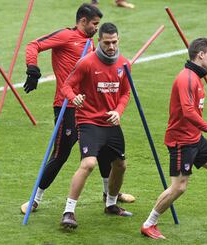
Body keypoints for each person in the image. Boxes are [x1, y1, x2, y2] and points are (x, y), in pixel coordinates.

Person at [21, 3, 134, 215]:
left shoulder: (93, 45)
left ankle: (109, 196)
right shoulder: (65, 36)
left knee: (103, 152)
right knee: (61, 154)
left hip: (91, 111)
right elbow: (33, 45)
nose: (96, 28)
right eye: (94, 24)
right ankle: (35, 199)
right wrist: (33, 68)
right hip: (67, 106)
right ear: (83, 21)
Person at [140, 38, 207, 239]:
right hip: (181, 141)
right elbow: (188, 111)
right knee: (179, 187)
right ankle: (149, 223)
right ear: (200, 55)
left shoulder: (196, 77)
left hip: (194, 138)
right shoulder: (187, 78)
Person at [60, 22, 132, 229]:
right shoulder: (87, 63)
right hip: (89, 122)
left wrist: (118, 111)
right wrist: (74, 99)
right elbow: (67, 86)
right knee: (89, 164)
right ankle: (69, 211)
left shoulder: (124, 64)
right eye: (107, 42)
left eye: (114, 42)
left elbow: (126, 93)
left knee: (120, 165)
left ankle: (111, 204)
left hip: (111, 123)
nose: (111, 46)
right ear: (99, 41)